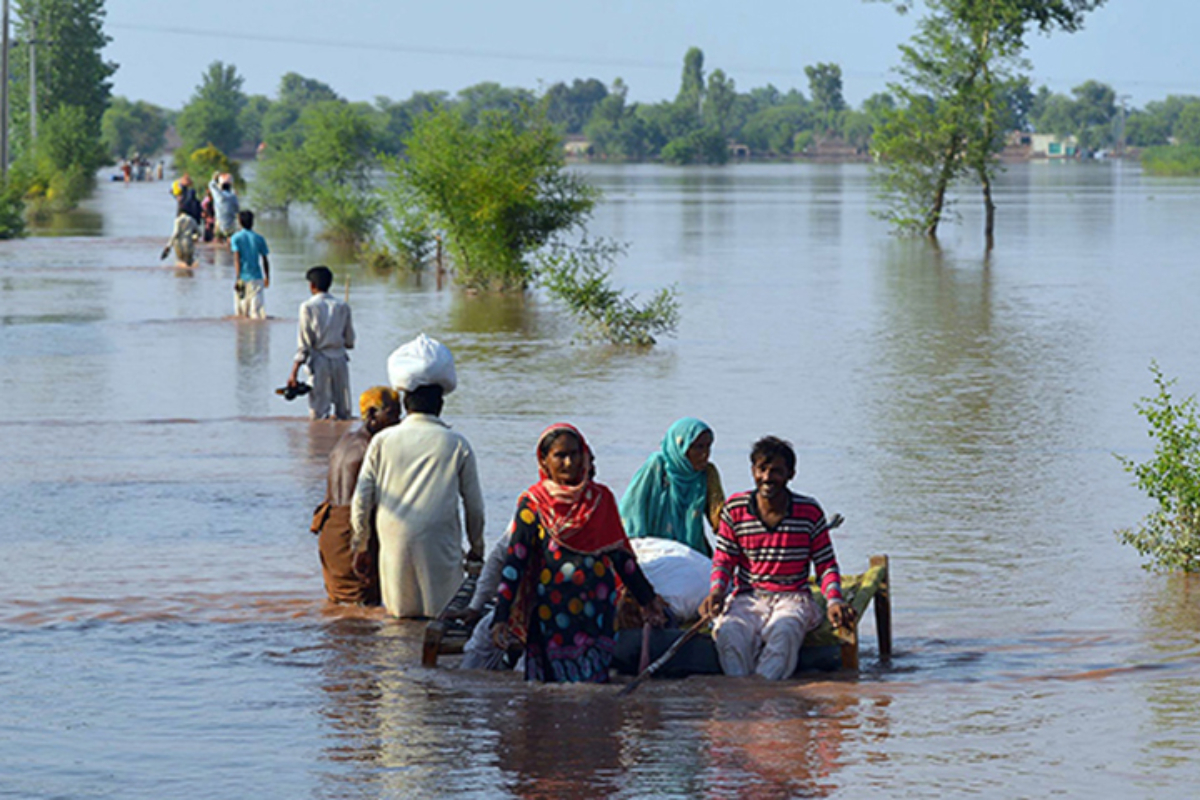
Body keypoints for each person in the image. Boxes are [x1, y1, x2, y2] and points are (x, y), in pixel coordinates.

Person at [490, 423, 667, 683]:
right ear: (544, 460)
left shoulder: (600, 499)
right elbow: (516, 560)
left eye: (575, 453)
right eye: (560, 456)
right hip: (552, 614)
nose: (569, 462)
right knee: (553, 690)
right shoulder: (533, 503)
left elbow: (622, 559)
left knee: (592, 685)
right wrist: (500, 616)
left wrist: (647, 600)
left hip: (596, 612)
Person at [698, 435, 855, 681]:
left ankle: (767, 700)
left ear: (791, 474)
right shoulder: (735, 509)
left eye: (776, 471)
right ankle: (741, 699)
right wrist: (716, 592)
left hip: (792, 598)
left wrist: (834, 600)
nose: (768, 478)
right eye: (762, 470)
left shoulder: (809, 511)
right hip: (748, 597)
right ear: (753, 471)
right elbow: (724, 560)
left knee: (784, 632)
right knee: (729, 633)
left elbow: (825, 565)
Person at [350, 382, 486, 618]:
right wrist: (476, 548)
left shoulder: (382, 441)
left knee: (397, 621)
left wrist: (361, 543)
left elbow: (362, 499)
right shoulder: (457, 443)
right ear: (440, 405)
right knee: (442, 618)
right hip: (440, 544)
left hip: (394, 540)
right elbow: (474, 506)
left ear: (405, 405)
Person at [311, 386, 401, 605]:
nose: (398, 422)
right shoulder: (372, 448)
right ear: (371, 415)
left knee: (340, 608)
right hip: (351, 532)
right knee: (362, 609)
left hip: (330, 529)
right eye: (391, 415)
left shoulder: (346, 439)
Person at [619, 417, 726, 557]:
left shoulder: (707, 474)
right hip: (655, 551)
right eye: (699, 447)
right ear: (682, 446)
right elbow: (633, 509)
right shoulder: (658, 467)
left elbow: (719, 517)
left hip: (692, 552)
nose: (705, 454)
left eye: (708, 446)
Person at [286, 266, 355, 420]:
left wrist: (294, 372)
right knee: (344, 412)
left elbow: (304, 344)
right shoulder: (342, 306)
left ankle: (319, 442)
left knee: (318, 414)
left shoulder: (308, 307)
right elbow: (350, 341)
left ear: (312, 285)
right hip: (340, 360)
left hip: (319, 362)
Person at [230, 210, 270, 319]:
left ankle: (243, 335)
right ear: (252, 222)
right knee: (256, 313)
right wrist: (267, 277)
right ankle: (256, 335)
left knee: (241, 313)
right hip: (257, 278)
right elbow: (265, 259)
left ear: (239, 222)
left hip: (243, 277)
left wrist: (238, 278)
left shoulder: (236, 238)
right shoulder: (259, 238)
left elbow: (237, 258)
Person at [208, 172, 240, 242]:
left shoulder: (219, 196)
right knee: (231, 243)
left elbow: (211, 185)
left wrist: (214, 178)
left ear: (221, 187)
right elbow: (237, 210)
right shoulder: (233, 197)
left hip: (220, 224)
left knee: (217, 243)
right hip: (231, 225)